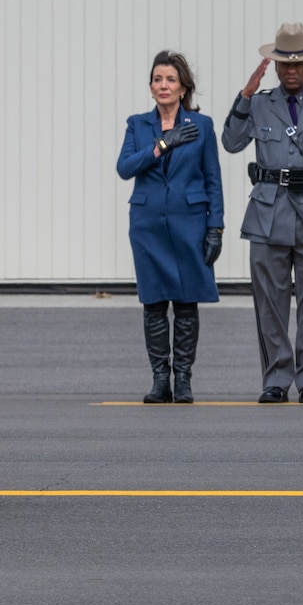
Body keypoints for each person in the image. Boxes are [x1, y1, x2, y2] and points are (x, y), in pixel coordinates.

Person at [221, 23, 303, 404]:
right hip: (267, 216)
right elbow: (231, 142)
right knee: (270, 304)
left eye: (298, 64)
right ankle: (276, 378)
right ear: (276, 65)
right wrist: (244, 95)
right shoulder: (259, 102)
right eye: (285, 64)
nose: (291, 70)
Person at [115, 50, 224, 403]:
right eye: (158, 79)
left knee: (187, 301)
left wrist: (215, 227)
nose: (164, 85)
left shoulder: (201, 125)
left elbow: (213, 180)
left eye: (171, 79)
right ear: (150, 87)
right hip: (148, 226)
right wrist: (161, 145)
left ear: (183, 87)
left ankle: (184, 379)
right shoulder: (137, 124)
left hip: (189, 223)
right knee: (155, 303)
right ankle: (160, 379)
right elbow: (125, 167)